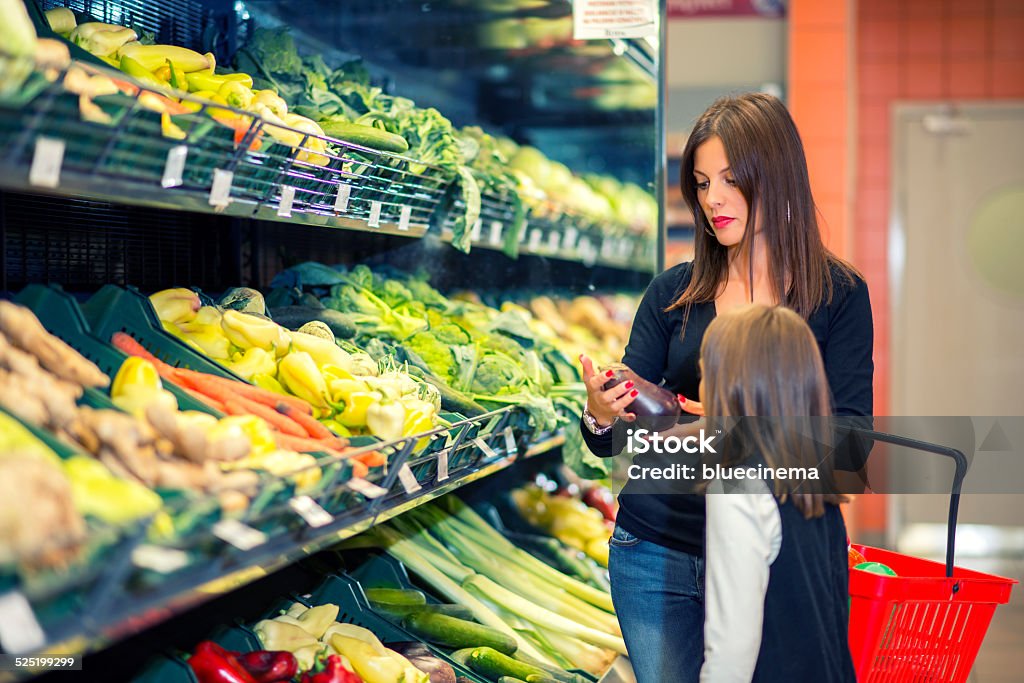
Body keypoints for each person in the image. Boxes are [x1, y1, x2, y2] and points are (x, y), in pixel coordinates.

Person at [578, 92, 872, 682]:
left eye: (731, 180)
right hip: (655, 551)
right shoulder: (672, 294)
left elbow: (848, 451)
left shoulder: (837, 297)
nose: (713, 200)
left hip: (776, 555)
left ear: (778, 176)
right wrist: (601, 417)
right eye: (701, 182)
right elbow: (619, 443)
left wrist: (736, 430)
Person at [697, 303, 855, 682]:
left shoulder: (737, 488)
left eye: (704, 374)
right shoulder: (812, 479)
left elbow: (732, 648)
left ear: (731, 385)